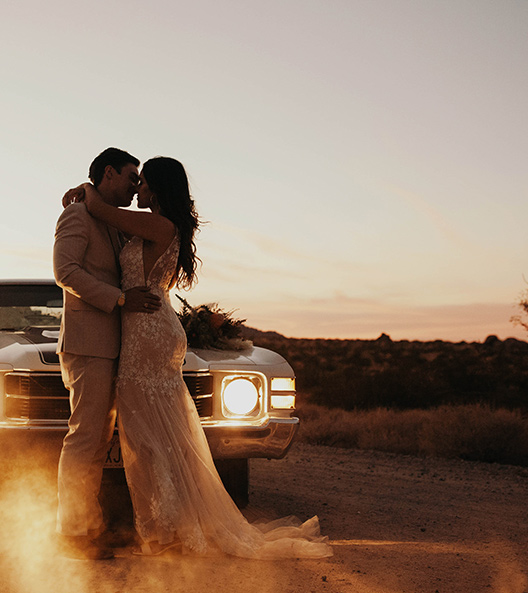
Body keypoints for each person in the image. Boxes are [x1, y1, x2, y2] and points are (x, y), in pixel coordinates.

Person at [64, 157, 332, 559]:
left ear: (157, 187)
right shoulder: (154, 225)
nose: (137, 188)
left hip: (147, 335)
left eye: (142, 182)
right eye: (133, 180)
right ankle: (166, 525)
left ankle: (167, 529)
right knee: (157, 434)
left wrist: (84, 193)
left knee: (148, 438)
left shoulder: (158, 224)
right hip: (146, 331)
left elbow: (102, 210)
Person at [52, 147, 162, 560]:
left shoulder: (108, 217)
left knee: (99, 441)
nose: (136, 187)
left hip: (117, 346)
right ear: (109, 173)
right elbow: (65, 271)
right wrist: (118, 300)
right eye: (132, 178)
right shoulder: (77, 214)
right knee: (84, 438)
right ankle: (72, 534)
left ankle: (89, 526)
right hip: (88, 343)